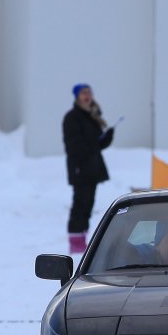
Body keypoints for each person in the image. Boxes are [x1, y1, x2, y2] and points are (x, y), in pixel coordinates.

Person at [62, 83, 115, 255]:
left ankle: (82, 238)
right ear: (77, 96)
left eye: (89, 92)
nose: (87, 96)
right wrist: (93, 143)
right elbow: (73, 145)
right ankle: (76, 242)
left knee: (88, 205)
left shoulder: (92, 116)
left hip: (93, 168)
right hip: (80, 169)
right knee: (80, 204)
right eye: (83, 93)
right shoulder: (72, 117)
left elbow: (98, 145)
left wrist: (108, 137)